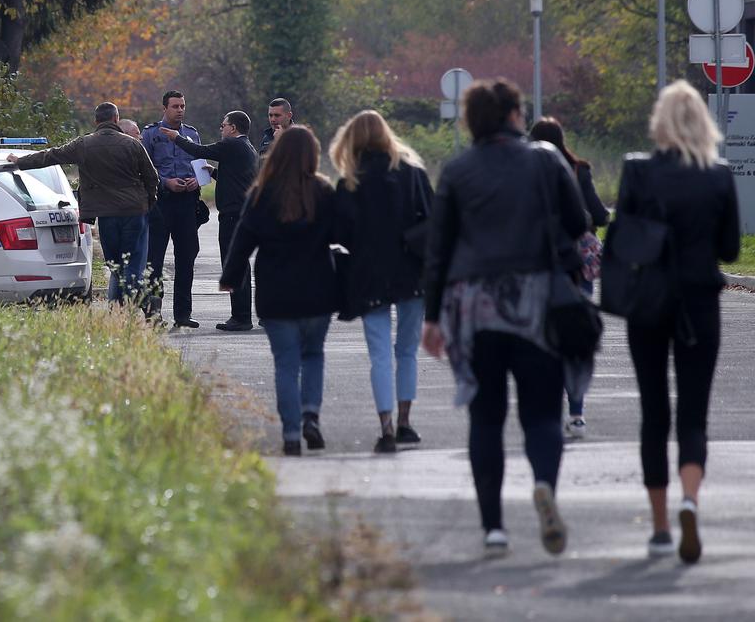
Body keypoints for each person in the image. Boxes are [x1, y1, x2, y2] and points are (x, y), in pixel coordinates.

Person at [421, 78, 587, 557]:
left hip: (475, 308)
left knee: (486, 417)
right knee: (542, 413)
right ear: (515, 115)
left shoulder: (457, 169)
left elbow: (439, 248)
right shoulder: (546, 159)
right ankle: (544, 484)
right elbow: (579, 223)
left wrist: (432, 317)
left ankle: (494, 528)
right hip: (536, 302)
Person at [612, 81, 739, 563]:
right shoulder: (718, 176)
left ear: (660, 122)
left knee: (653, 412)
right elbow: (730, 248)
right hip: (699, 302)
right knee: (693, 412)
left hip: (648, 302)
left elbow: (623, 236)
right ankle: (690, 499)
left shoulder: (637, 171)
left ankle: (661, 525)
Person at [221, 125, 337, 456]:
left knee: (286, 363)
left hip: (276, 291)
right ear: (313, 154)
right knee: (313, 355)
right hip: (318, 290)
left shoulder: (262, 194)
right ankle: (310, 415)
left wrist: (231, 277)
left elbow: (243, 240)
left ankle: (291, 434)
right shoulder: (323, 191)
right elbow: (344, 234)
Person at [329, 110, 433, 454]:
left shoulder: (350, 182)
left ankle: (386, 427)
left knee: (380, 354)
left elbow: (339, 233)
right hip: (411, 272)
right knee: (407, 350)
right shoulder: (413, 173)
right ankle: (405, 422)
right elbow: (434, 220)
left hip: (369, 275)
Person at [9, 102, 158, 303]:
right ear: (116, 119)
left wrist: (20, 161)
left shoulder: (84, 144)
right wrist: (148, 202)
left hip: (105, 215)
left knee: (115, 265)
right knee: (132, 263)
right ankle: (144, 304)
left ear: (96, 121)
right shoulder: (132, 144)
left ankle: (121, 308)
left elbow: (51, 156)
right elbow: (152, 177)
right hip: (134, 212)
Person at [528, 117, 610, 440]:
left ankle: (545, 411)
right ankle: (576, 414)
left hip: (537, 263)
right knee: (575, 338)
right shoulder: (579, 170)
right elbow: (599, 214)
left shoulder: (525, 171)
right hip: (577, 265)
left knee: (541, 338)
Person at [162, 110, 259, 330]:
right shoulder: (246, 147)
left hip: (233, 215)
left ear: (233, 128)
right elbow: (237, 177)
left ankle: (241, 317)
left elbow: (200, 150)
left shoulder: (233, 144)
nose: (221, 129)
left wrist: (176, 138)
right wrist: (214, 172)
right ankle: (241, 315)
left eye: (223, 125)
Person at [142, 91, 202, 327]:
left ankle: (183, 314)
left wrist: (197, 180)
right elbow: (144, 169)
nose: (180, 110)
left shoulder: (192, 134)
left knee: (186, 258)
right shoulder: (151, 133)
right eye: (175, 106)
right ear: (164, 108)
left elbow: (199, 163)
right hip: (161, 202)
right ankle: (153, 313)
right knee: (154, 260)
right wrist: (165, 182)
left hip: (186, 202)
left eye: (183, 106)